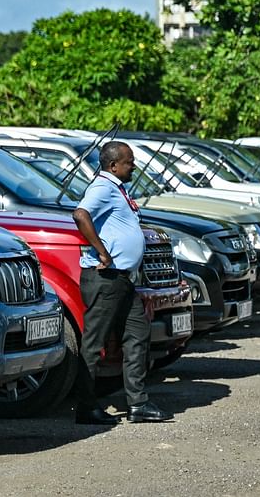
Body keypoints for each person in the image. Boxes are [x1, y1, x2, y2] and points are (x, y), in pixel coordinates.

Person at [71, 141, 173, 425]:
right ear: (113, 165)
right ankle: (86, 407)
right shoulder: (102, 187)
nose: (134, 166)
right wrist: (102, 250)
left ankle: (138, 404)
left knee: (138, 335)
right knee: (94, 344)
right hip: (105, 278)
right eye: (129, 162)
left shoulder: (117, 188)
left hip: (124, 280)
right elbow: (80, 214)